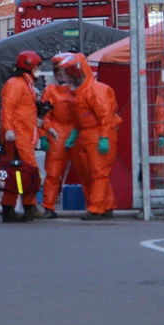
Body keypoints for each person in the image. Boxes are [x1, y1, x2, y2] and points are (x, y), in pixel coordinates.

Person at [58, 53, 121, 220]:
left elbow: (105, 116)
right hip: (86, 134)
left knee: (99, 173)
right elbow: (78, 118)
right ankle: (105, 206)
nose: (71, 78)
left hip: (99, 133)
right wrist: (74, 133)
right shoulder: (77, 93)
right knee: (89, 174)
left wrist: (104, 137)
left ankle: (96, 209)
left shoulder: (96, 90)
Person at [0, 50, 43, 223]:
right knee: (27, 171)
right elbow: (8, 109)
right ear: (29, 67)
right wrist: (9, 130)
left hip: (21, 134)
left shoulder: (25, 84)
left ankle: (10, 209)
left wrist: (38, 123)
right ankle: (29, 207)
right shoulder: (16, 84)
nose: (39, 70)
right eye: (37, 67)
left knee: (16, 173)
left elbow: (23, 110)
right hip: (17, 136)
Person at [39, 53, 77, 219]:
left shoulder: (78, 90)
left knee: (89, 171)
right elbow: (44, 115)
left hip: (76, 130)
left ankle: (96, 207)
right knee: (53, 173)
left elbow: (84, 114)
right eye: (58, 72)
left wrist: (76, 131)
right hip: (57, 132)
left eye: (63, 71)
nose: (61, 75)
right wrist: (44, 133)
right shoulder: (50, 91)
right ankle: (48, 206)